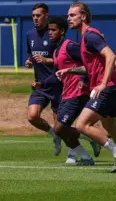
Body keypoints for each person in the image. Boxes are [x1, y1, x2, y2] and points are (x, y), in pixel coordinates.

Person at [57, 2, 116, 173]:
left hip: (107, 87)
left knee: (82, 124)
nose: (68, 18)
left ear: (83, 16)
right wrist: (70, 70)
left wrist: (103, 83)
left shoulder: (90, 36)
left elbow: (111, 56)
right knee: (108, 124)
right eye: (68, 15)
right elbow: (91, 66)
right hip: (111, 86)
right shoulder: (85, 39)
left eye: (72, 15)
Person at [32, 17, 100, 165]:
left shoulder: (70, 46)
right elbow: (56, 75)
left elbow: (88, 64)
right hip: (66, 94)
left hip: (78, 93)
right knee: (61, 130)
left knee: (59, 128)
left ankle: (94, 138)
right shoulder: (56, 51)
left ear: (62, 31)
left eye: (53, 30)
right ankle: (87, 158)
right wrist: (41, 84)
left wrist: (84, 80)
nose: (50, 33)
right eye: (49, 30)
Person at [25, 3, 67, 159]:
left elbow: (63, 60)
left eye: (39, 15)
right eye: (33, 15)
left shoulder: (54, 34)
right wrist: (29, 62)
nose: (35, 18)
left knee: (61, 126)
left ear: (46, 16)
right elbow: (32, 55)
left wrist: (46, 59)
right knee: (32, 116)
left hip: (56, 85)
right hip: (40, 85)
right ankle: (54, 136)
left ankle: (79, 148)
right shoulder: (30, 35)